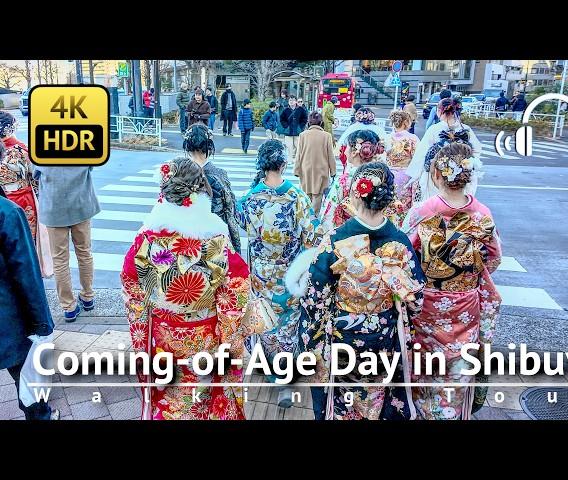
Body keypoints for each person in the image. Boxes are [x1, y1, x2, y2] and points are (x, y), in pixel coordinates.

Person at [289, 162, 426, 420]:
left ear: (354, 194)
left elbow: (314, 299)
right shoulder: (400, 241)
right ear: (390, 198)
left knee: (343, 399)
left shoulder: (335, 239)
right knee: (376, 394)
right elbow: (416, 298)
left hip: (344, 334)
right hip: (383, 332)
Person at [121, 157, 250, 420]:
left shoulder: (145, 241)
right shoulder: (215, 240)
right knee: (202, 400)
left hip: (163, 339)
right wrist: (230, 343)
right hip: (206, 339)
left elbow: (135, 298)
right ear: (199, 190)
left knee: (171, 401)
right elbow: (233, 299)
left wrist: (142, 340)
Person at [403, 143, 502, 420]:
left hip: (429, 305)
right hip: (467, 303)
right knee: (458, 370)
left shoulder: (422, 211)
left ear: (436, 174)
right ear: (469, 175)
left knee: (424, 366)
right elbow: (493, 259)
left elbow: (404, 257)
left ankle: (424, 414)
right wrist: (466, 273)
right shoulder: (482, 213)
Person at [235, 140, 321, 407]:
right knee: (289, 323)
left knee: (265, 321)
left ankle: (270, 370)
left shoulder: (250, 198)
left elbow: (239, 228)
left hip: (261, 273)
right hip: (289, 273)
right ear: (284, 164)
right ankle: (286, 378)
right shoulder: (297, 197)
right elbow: (313, 236)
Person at [0, 195, 58, 420]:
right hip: (9, 319)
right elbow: (27, 275)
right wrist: (42, 324)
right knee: (29, 381)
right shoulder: (7, 212)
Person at [34, 162, 100, 322]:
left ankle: (68, 306)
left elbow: (35, 173)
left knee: (59, 259)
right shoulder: (81, 143)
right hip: (81, 205)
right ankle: (87, 297)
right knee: (84, 253)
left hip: (54, 208)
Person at [0, 111, 53, 279]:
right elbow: (35, 177)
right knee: (26, 240)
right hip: (23, 199)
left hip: (3, 198)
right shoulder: (22, 149)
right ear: (10, 128)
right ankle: (27, 275)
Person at [406, 97, 483, 203]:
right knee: (459, 205)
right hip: (461, 174)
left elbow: (422, 154)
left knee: (436, 207)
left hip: (438, 176)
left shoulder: (434, 129)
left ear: (440, 111)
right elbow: (476, 151)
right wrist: (464, 164)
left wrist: (415, 175)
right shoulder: (465, 129)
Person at [182, 123, 242, 253]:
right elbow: (230, 212)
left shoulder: (179, 175)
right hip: (216, 238)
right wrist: (235, 248)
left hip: (187, 239)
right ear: (209, 146)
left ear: (187, 147)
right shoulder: (219, 175)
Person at [319, 129, 391, 232]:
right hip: (378, 230)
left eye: (347, 147)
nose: (344, 151)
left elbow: (329, 210)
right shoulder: (382, 177)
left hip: (349, 234)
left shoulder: (345, 180)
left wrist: (328, 234)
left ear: (354, 152)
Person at [294, 111, 336, 214]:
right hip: (321, 170)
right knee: (318, 195)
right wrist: (333, 171)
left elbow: (298, 154)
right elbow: (331, 155)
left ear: (309, 123)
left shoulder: (303, 135)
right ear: (321, 123)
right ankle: (314, 219)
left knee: (305, 194)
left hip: (305, 169)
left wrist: (296, 170)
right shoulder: (327, 136)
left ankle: (306, 217)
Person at [387, 110, 420, 225]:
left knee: (390, 203)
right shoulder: (412, 139)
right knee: (404, 206)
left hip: (389, 175)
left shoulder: (388, 138)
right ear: (406, 122)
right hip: (406, 175)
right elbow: (418, 159)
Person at [280, 95, 307, 159]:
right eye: (290, 100)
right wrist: (286, 126)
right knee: (289, 146)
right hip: (288, 131)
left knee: (298, 146)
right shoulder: (285, 110)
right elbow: (282, 119)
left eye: (293, 100)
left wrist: (301, 126)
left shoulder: (301, 109)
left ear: (296, 101)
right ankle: (290, 159)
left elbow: (304, 118)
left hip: (297, 131)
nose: (291, 102)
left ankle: (297, 159)